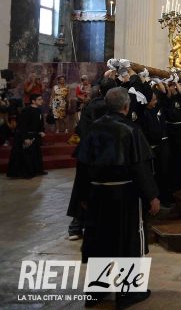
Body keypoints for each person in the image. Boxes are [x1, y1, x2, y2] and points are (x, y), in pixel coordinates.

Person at [76, 87, 159, 308]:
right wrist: (152, 196)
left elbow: (82, 166)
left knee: (99, 239)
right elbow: (140, 167)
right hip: (125, 195)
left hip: (96, 194)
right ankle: (129, 292)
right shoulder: (131, 129)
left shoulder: (93, 128)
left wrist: (82, 194)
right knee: (129, 240)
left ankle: (97, 291)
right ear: (126, 106)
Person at [66, 78, 116, 241]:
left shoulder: (89, 105)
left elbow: (81, 129)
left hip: (86, 152)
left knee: (81, 188)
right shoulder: (110, 107)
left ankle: (76, 226)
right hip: (102, 154)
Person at [7, 94, 46, 178]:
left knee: (36, 154)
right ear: (33, 101)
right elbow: (22, 125)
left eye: (41, 99)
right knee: (27, 156)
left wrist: (41, 131)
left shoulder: (38, 110)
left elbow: (40, 123)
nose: (41, 101)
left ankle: (36, 170)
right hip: (26, 135)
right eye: (39, 99)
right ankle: (26, 173)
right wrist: (25, 138)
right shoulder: (27, 110)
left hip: (34, 135)